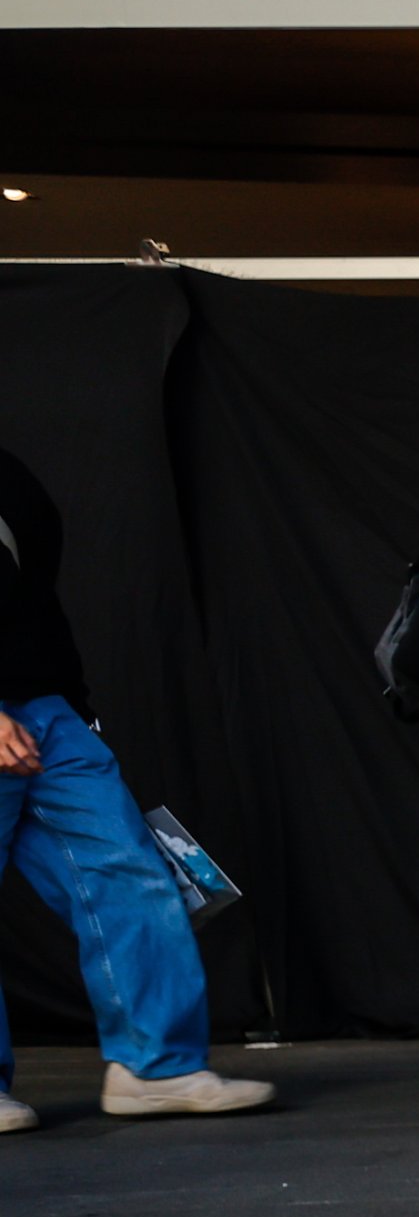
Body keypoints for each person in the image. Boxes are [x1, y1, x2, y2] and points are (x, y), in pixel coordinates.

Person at [0, 444, 272, 1133]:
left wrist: (74, 703)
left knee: (129, 872)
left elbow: (31, 598)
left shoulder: (5, 469)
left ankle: (156, 1067)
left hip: (46, 708)